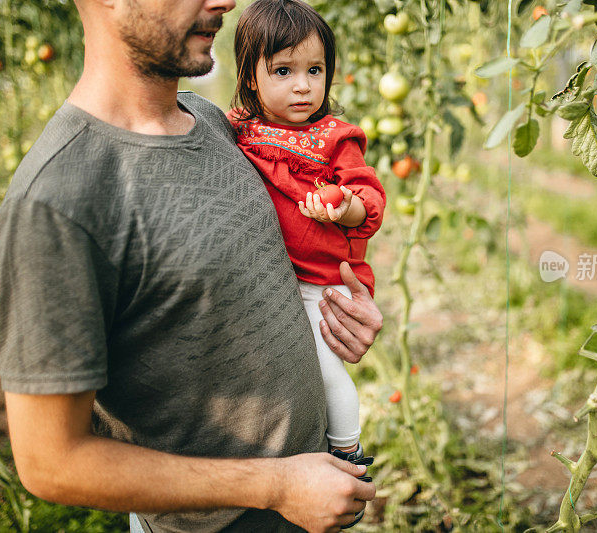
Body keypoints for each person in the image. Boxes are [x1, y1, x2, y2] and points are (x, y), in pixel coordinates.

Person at [0, 0, 381, 532]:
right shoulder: (59, 202)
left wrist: (335, 315)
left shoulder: (216, 124)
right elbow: (50, 463)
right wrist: (276, 486)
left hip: (313, 488)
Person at [227, 4, 385, 523]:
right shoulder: (239, 131)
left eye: (314, 71)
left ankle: (347, 455)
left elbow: (368, 195)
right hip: (275, 281)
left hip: (321, 284)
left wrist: (342, 204)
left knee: (326, 371)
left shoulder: (335, 139)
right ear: (251, 79)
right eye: (283, 71)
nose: (302, 87)